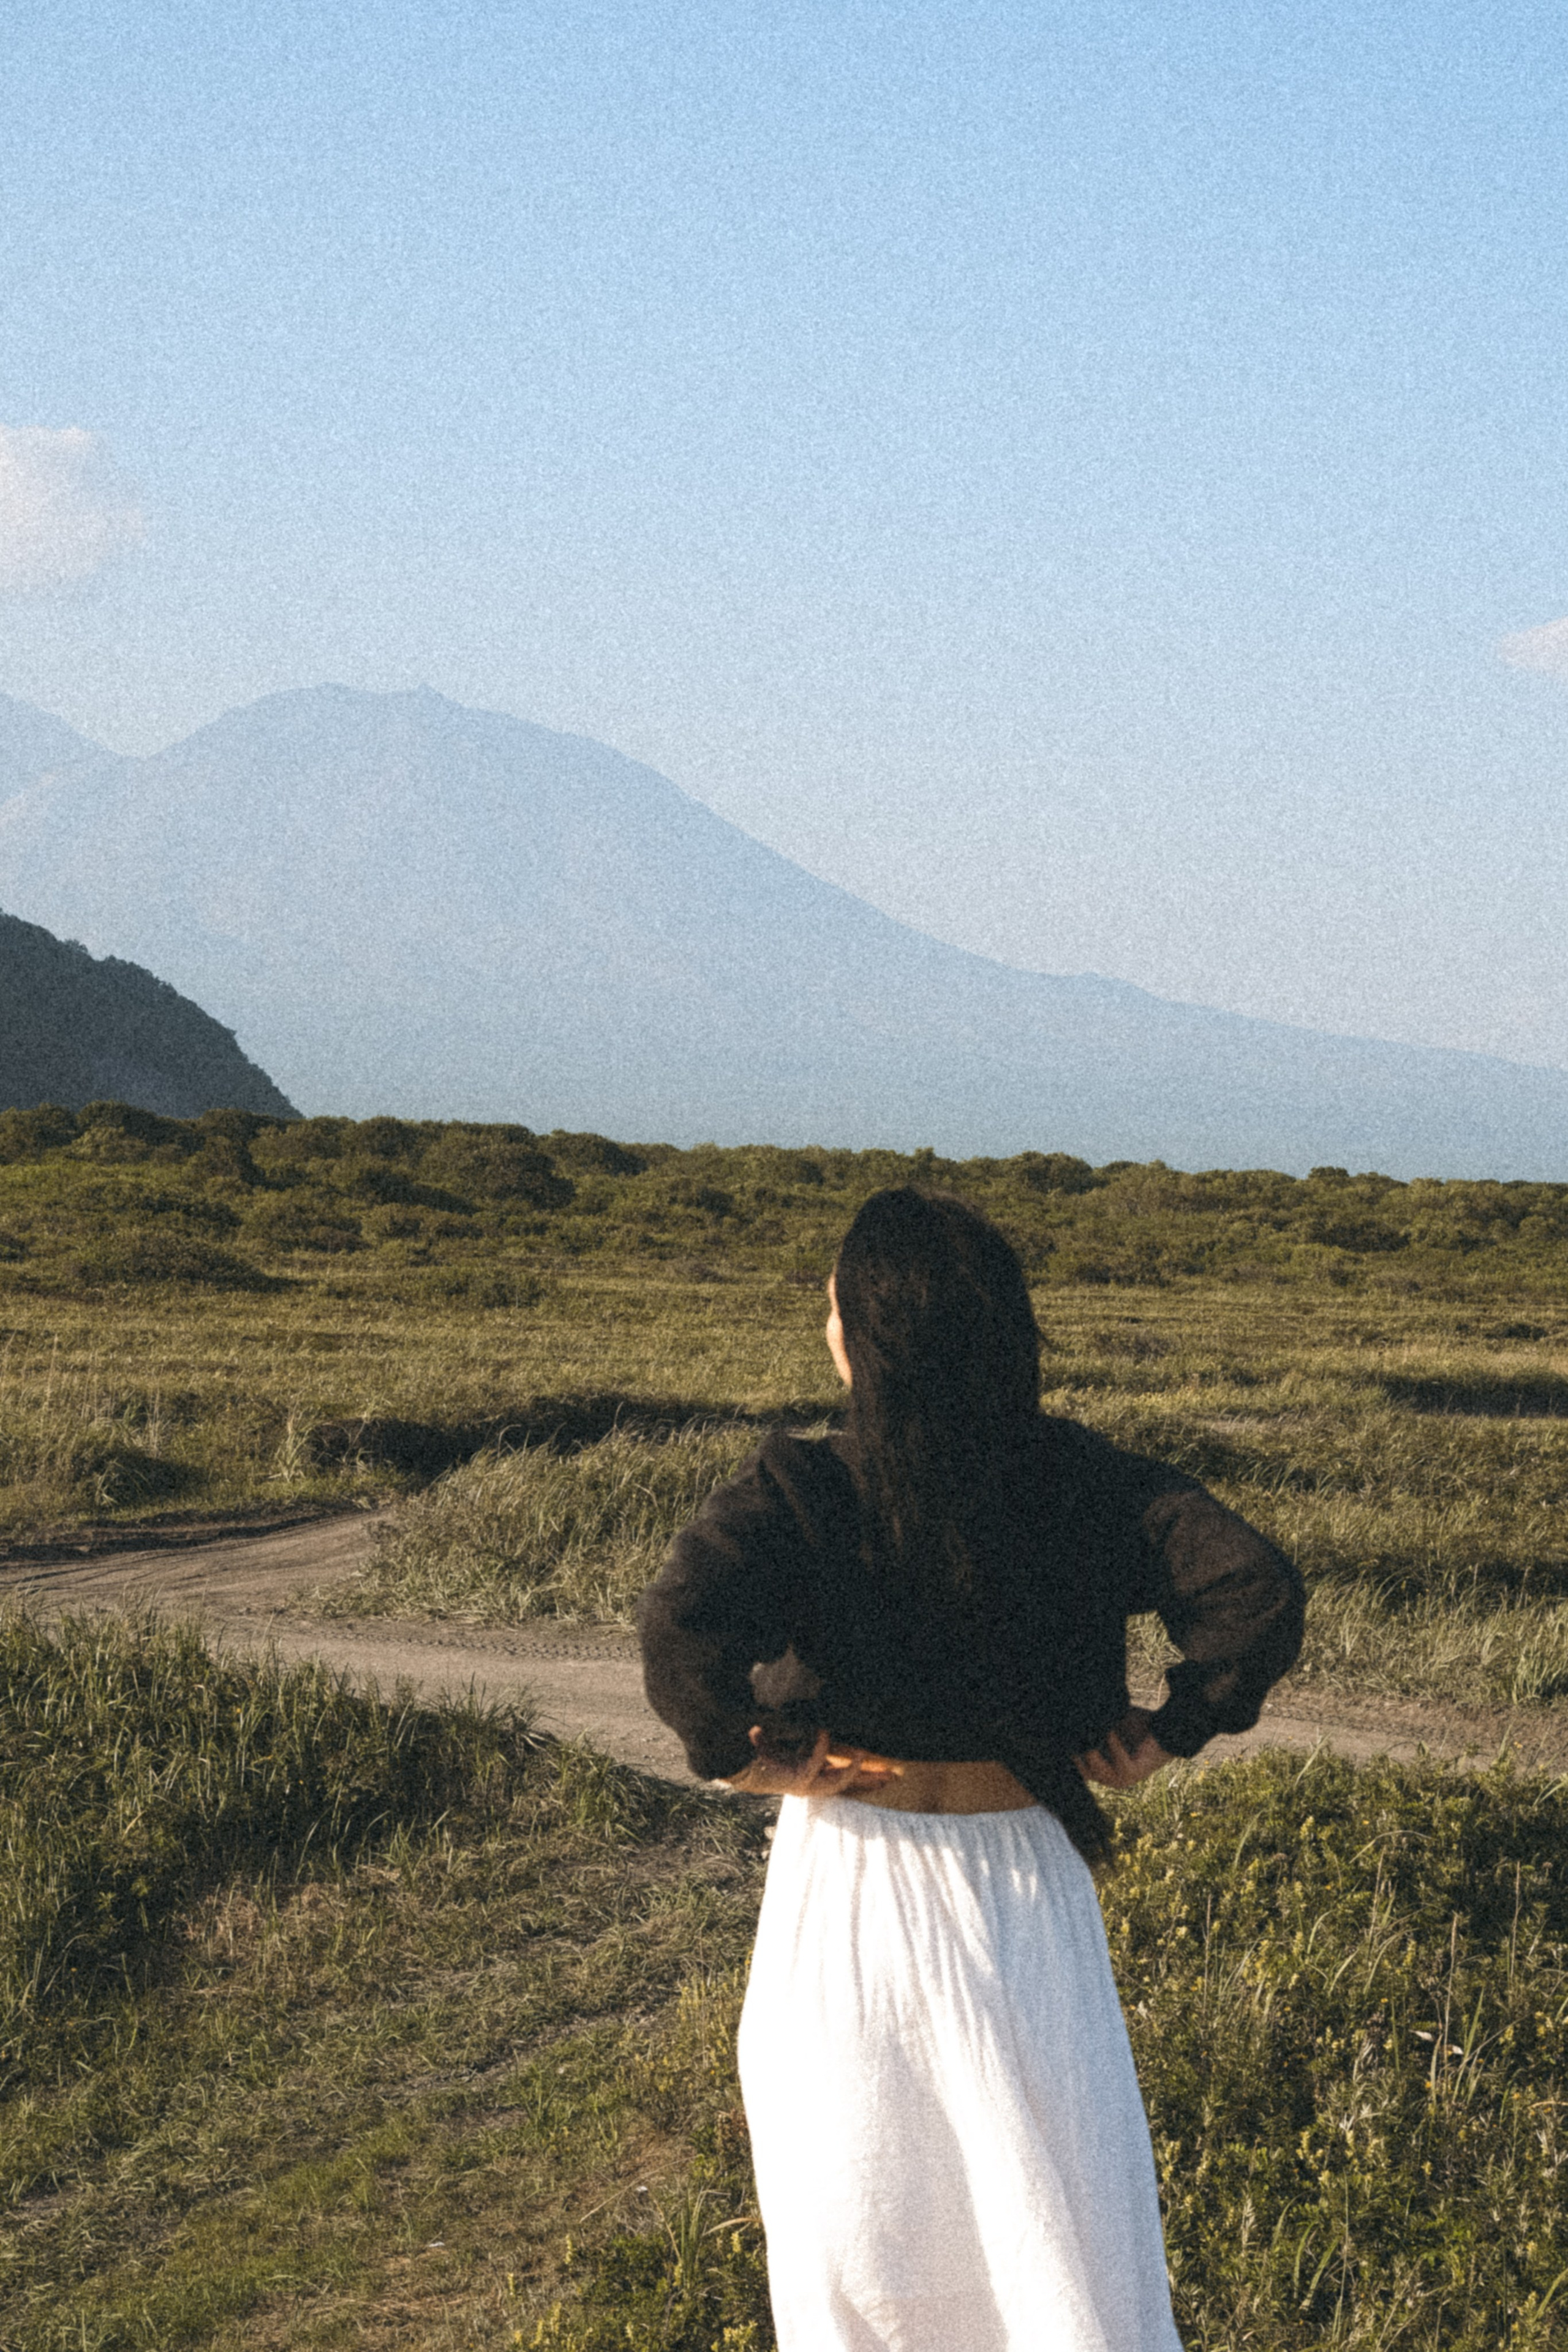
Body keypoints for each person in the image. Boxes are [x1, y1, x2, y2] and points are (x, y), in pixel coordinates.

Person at [638, 1187, 1305, 2352]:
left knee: (863, 2240)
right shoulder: (1083, 1480)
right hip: (1026, 1894)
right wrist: (1171, 1729)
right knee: (1060, 2243)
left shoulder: (807, 1488)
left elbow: (679, 1628)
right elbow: (1253, 1587)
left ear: (855, 1334)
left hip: (852, 1886)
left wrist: (760, 1759)